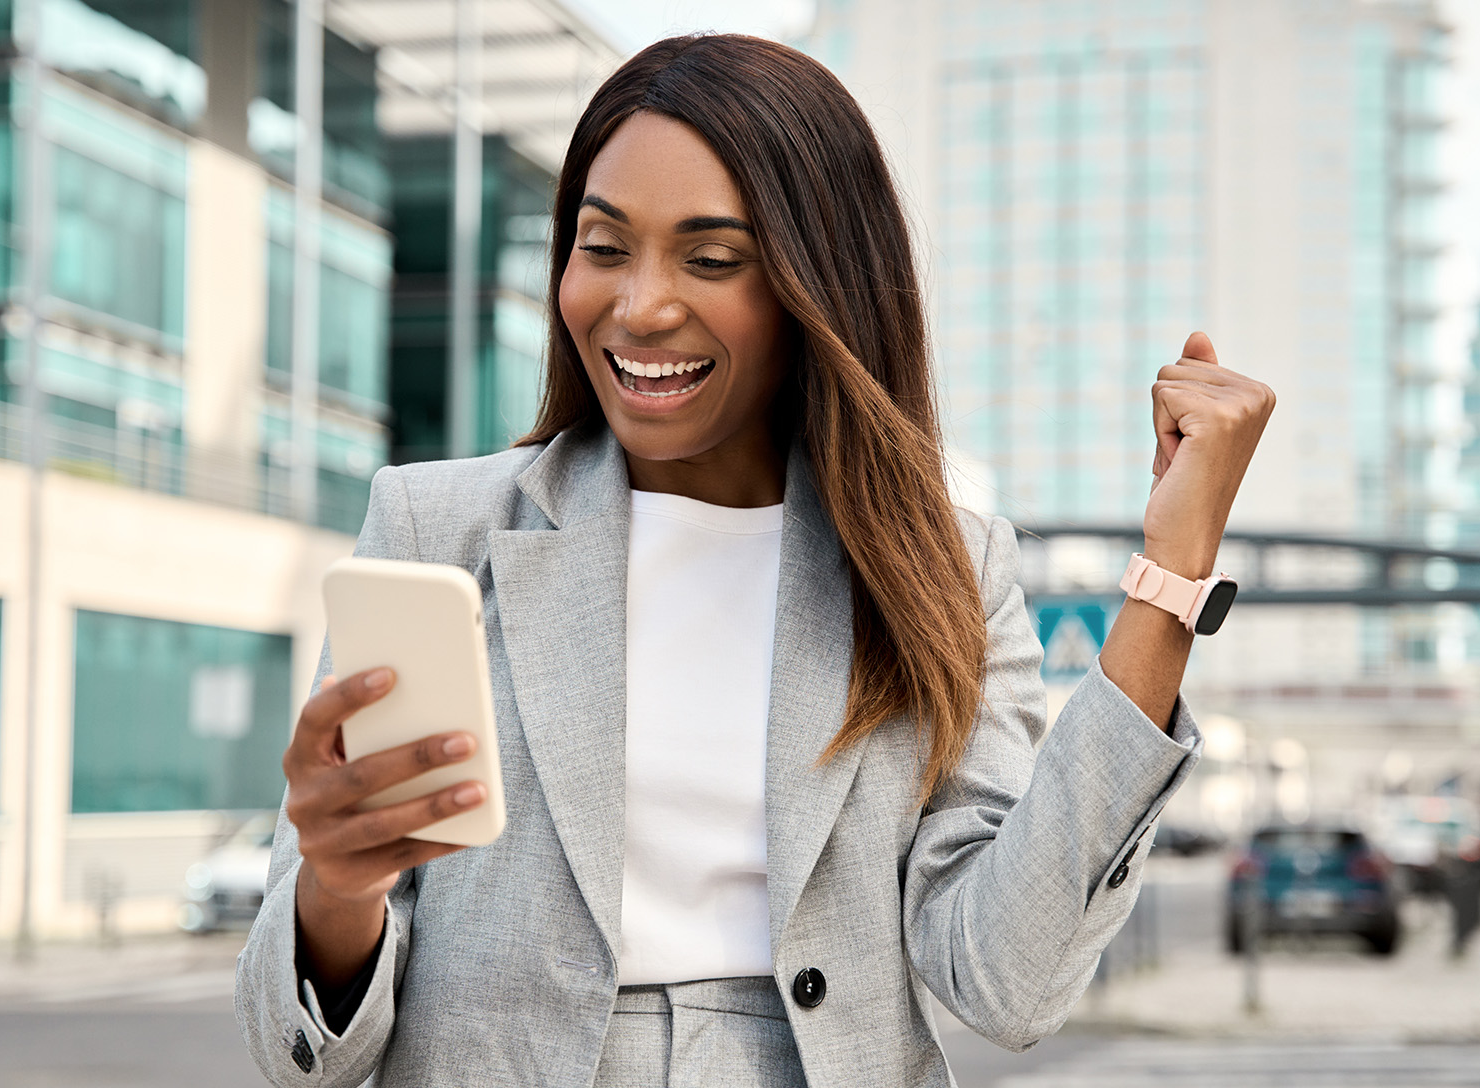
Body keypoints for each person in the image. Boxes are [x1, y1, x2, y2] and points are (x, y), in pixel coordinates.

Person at [235, 33, 1274, 1088]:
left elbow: (1008, 979)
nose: (640, 306)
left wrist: (1170, 575)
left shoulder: (939, 568)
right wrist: (336, 888)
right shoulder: (434, 531)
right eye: (603, 247)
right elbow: (303, 1054)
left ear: (816, 283)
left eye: (711, 257)